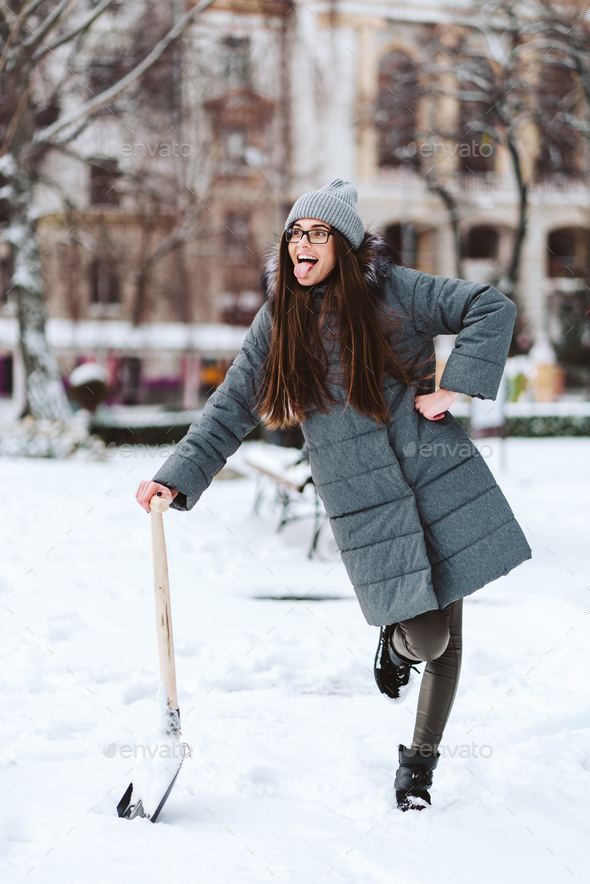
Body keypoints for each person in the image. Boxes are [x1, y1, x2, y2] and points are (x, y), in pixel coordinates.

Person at [136, 179, 532, 812]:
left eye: (318, 233)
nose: (303, 243)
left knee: (449, 636)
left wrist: (453, 387)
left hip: (438, 476)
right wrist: (176, 475)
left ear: (344, 247)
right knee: (426, 637)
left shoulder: (396, 293)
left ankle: (418, 768)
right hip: (363, 500)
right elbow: (232, 405)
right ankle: (394, 645)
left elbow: (490, 305)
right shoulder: (279, 320)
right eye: (295, 233)